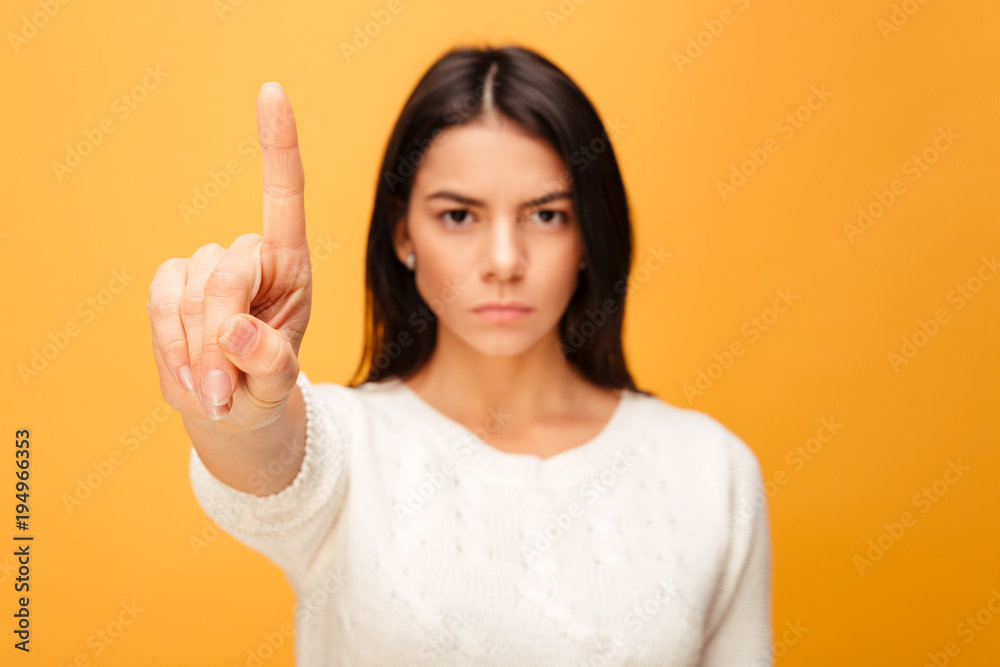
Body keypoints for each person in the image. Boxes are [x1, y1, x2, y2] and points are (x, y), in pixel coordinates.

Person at [147, 44, 773, 666]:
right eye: (458, 215)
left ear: (589, 236)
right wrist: (235, 409)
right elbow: (270, 458)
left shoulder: (710, 470)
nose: (504, 260)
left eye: (547, 215)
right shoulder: (347, 447)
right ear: (403, 233)